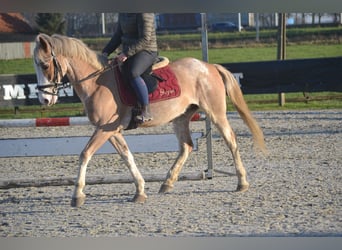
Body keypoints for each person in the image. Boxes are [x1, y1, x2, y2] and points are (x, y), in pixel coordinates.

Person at [102, 13, 158, 123]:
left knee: (133, 72)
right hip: (129, 51)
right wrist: (105, 52)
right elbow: (118, 35)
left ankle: (146, 110)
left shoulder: (144, 12)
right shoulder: (123, 12)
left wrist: (126, 54)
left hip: (147, 51)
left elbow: (145, 39)